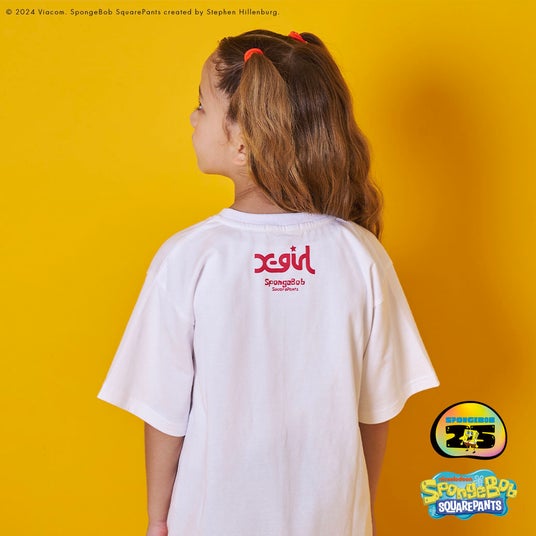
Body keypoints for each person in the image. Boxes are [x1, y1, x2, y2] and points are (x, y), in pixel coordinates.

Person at [98, 29, 439, 536]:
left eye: (202, 105)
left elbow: (165, 415)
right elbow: (375, 413)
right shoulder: (360, 255)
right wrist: (357, 514)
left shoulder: (189, 257)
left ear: (241, 142)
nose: (192, 117)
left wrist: (157, 519)